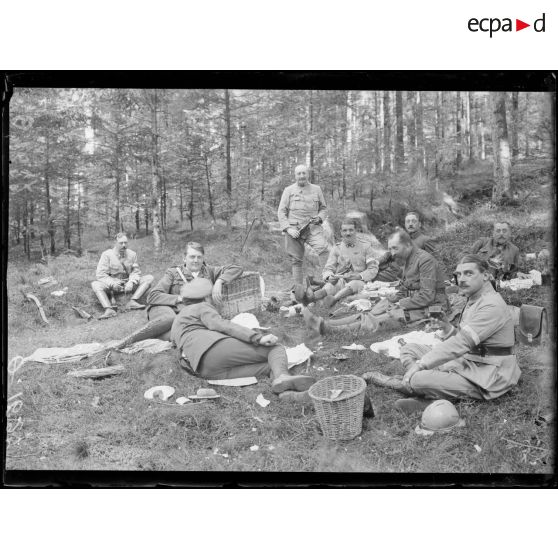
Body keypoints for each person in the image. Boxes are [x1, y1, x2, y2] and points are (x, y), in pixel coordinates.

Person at [364, 255, 522, 414]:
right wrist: (447, 327)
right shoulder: (475, 297)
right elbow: (469, 339)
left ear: (486, 275)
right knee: (409, 349)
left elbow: (462, 343)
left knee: (419, 378)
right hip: (469, 361)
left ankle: (411, 386)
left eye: (468, 273)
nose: (461, 279)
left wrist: (420, 365)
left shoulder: (491, 304)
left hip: (487, 373)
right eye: (458, 274)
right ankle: (422, 389)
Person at [171, 278, 316, 400]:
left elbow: (174, 343)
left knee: (270, 365)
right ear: (206, 297)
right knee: (274, 348)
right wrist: (258, 338)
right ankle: (283, 376)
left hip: (204, 370)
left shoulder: (177, 320)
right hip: (212, 349)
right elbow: (221, 325)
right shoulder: (201, 307)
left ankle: (287, 394)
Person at [108, 241, 243, 349]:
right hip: (164, 308)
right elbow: (153, 296)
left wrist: (219, 281)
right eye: (192, 257)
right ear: (184, 258)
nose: (195, 261)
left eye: (199, 257)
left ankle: (158, 335)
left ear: (203, 258)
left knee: (185, 331)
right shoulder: (173, 273)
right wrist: (178, 298)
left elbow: (237, 268)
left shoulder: (210, 271)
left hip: (186, 316)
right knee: (170, 318)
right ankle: (125, 341)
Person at [294, 220, 379, 308]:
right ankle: (309, 298)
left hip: (360, 282)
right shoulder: (337, 248)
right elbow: (328, 268)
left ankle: (333, 300)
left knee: (354, 284)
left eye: (351, 230)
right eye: (345, 231)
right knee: (330, 286)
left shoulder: (366, 247)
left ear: (356, 231)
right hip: (341, 280)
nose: (348, 233)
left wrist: (360, 276)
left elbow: (373, 269)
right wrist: (329, 276)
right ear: (341, 232)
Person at [277, 164, 329, 286]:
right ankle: (298, 289)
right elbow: (281, 211)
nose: (301, 176)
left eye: (304, 173)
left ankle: (327, 282)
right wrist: (288, 229)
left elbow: (324, 209)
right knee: (296, 260)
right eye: (299, 174)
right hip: (294, 230)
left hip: (312, 228)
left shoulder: (317, 189)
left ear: (308, 174)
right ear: (295, 176)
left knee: (324, 249)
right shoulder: (288, 190)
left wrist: (320, 218)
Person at [91, 232, 154, 320]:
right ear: (115, 243)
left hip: (128, 284)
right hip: (113, 286)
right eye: (121, 243)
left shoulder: (132, 254)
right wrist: (112, 283)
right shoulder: (107, 255)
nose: (124, 245)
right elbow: (101, 274)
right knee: (95, 284)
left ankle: (133, 302)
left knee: (149, 278)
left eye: (125, 242)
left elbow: (136, 272)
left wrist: (131, 282)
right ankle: (109, 310)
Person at [375, 211, 438, 281]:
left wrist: (444, 280)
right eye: (408, 222)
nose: (410, 224)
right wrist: (378, 261)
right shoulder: (402, 239)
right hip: (395, 271)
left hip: (410, 276)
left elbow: (436, 261)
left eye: (414, 221)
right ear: (405, 224)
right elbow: (391, 253)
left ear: (419, 224)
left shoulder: (426, 240)